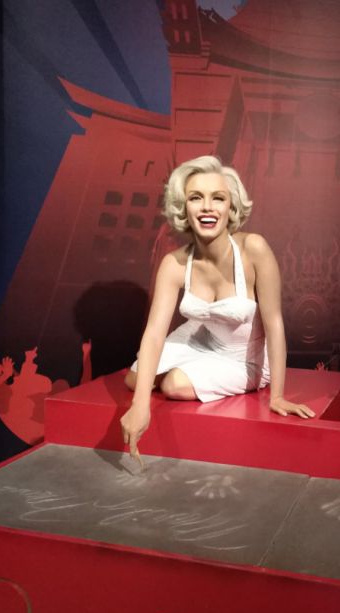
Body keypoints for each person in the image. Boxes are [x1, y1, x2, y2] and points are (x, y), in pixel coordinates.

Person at [120, 156, 315, 458]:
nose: (207, 207)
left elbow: (275, 324)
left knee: (172, 384)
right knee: (134, 380)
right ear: (184, 207)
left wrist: (277, 395)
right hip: (199, 338)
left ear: (231, 207)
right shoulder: (174, 263)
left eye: (218, 198)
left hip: (244, 357)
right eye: (196, 198)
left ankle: (191, 372)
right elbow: (155, 333)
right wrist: (139, 405)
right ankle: (185, 370)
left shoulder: (254, 249)